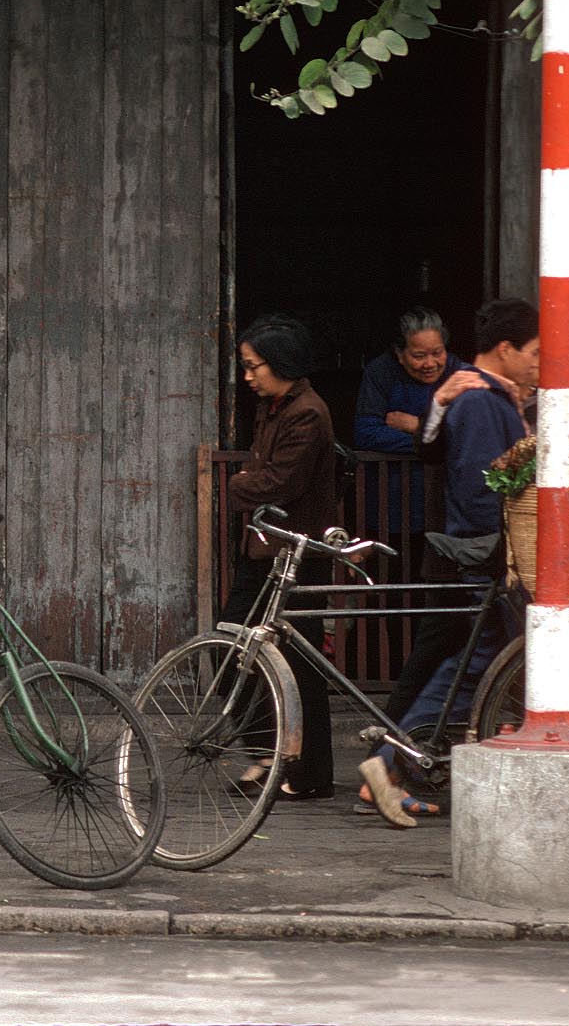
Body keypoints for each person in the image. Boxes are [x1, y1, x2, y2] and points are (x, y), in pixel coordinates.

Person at [357, 296, 540, 828]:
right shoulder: (480, 402)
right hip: (488, 557)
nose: (537, 361)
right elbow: (485, 489)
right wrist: (509, 545)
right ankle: (391, 761)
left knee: (470, 666)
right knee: (474, 668)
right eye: (532, 351)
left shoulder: (481, 394)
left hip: (484, 557)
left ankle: (391, 764)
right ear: (504, 349)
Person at [221, 314, 338, 801]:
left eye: (254, 366)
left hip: (298, 552)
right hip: (265, 548)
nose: (247, 376)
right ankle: (270, 752)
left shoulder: (307, 412)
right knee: (231, 643)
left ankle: (310, 773)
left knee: (301, 663)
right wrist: (252, 480)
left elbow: (276, 481)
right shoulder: (274, 406)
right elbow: (262, 472)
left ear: (281, 365)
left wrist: (238, 483)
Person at [353, 307, 471, 725]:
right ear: (400, 354)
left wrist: (413, 425)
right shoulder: (380, 374)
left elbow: (463, 434)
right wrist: (431, 439)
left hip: (446, 514)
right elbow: (365, 433)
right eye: (419, 355)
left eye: (436, 353)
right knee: (389, 595)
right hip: (392, 508)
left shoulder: (461, 374)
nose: (430, 363)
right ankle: (391, 682)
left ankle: (432, 696)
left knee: (436, 600)